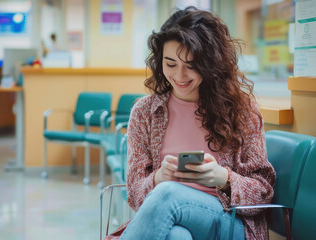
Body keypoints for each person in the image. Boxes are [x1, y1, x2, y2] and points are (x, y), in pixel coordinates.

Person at [105, 6, 276, 240]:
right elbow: (135, 196)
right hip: (167, 218)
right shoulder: (144, 112)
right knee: (176, 236)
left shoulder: (241, 110)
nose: (180, 76)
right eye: (171, 64)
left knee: (167, 195)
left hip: (230, 222)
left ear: (210, 63)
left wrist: (223, 178)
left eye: (191, 65)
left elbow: (263, 192)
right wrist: (157, 178)